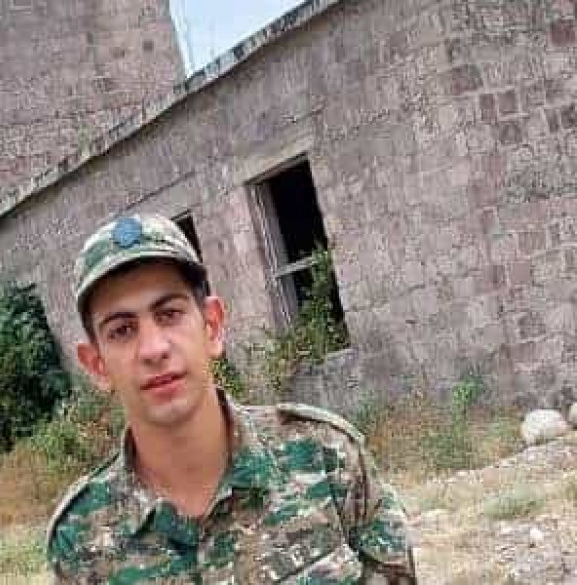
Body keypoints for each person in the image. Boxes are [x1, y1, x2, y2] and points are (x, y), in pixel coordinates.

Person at [46, 213, 417, 584]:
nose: (154, 348)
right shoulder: (80, 539)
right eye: (122, 330)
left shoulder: (327, 458)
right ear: (97, 365)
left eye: (169, 314)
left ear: (212, 326)